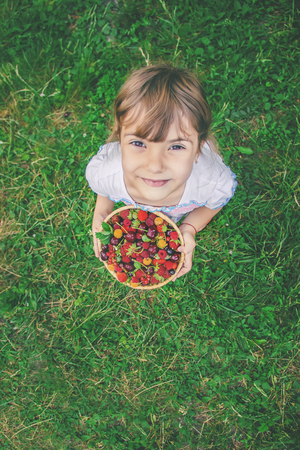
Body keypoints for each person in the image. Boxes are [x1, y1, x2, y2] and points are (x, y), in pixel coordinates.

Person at [86, 63, 237, 280]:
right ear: (120, 141)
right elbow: (104, 188)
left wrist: (189, 227)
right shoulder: (107, 173)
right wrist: (101, 210)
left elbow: (217, 201)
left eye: (176, 146)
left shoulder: (209, 182)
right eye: (139, 143)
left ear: (198, 150)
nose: (155, 166)